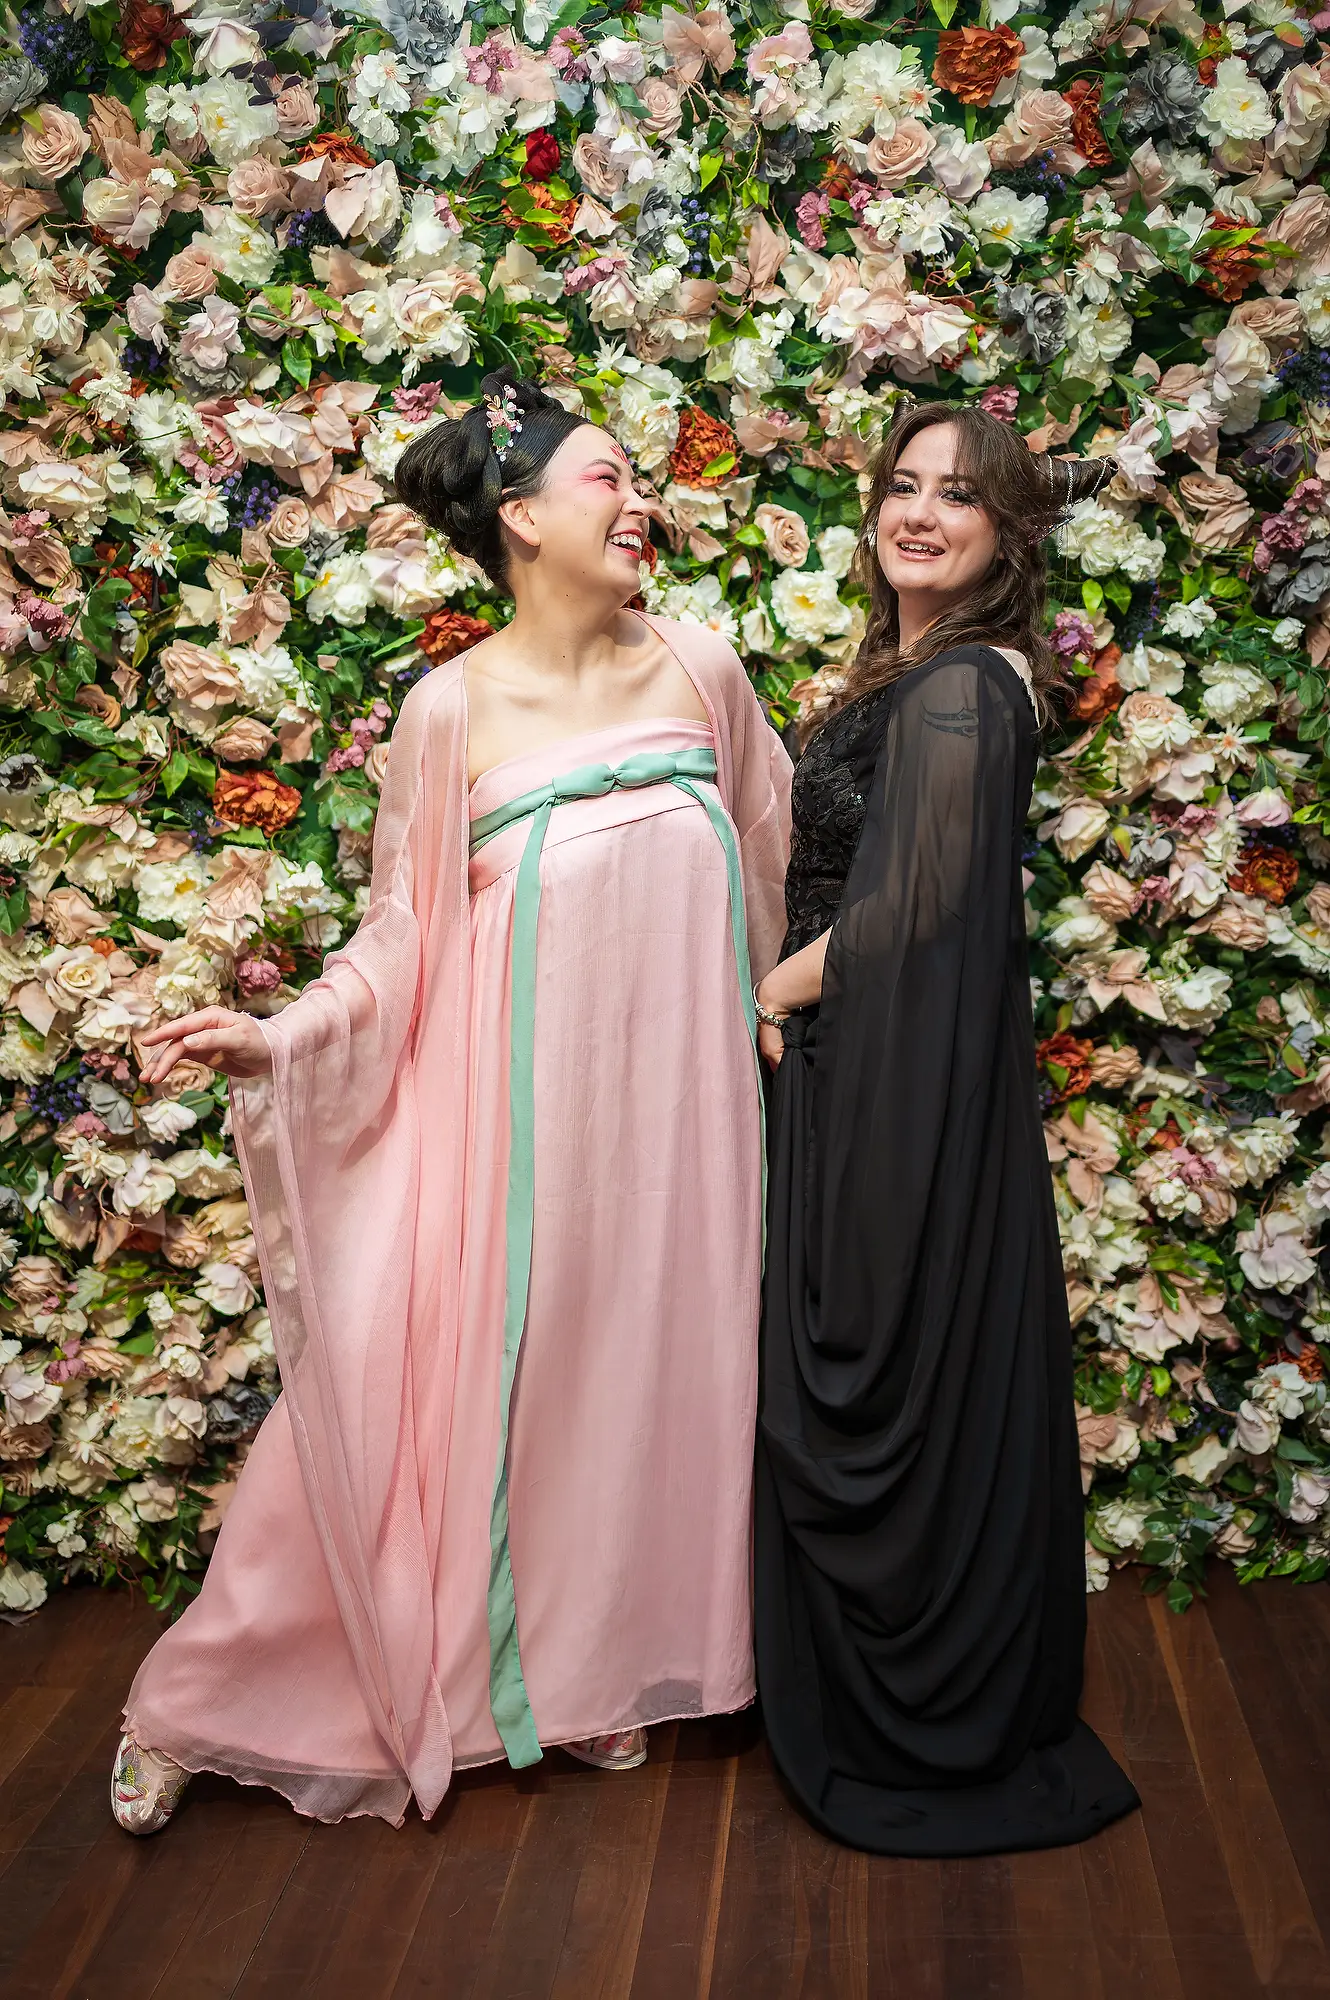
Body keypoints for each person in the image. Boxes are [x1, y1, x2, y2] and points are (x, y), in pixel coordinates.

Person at [111, 368, 792, 1835]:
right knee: (408, 1380)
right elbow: (402, 932)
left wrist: (769, 1016)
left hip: (680, 1137)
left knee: (641, 1381)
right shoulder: (448, 708)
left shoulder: (703, 671)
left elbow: (762, 856)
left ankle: (587, 1670)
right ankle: (202, 1698)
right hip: (511, 1130)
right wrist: (285, 1031)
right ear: (520, 517)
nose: (642, 503)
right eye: (609, 477)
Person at [751, 401, 1141, 1857]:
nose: (918, 512)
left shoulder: (969, 685)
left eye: (956, 497)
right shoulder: (906, 671)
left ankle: (916, 1698)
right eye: (900, 486)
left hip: (886, 1077)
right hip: (855, 1064)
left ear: (1005, 532)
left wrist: (762, 988)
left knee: (888, 1348)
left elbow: (907, 912)